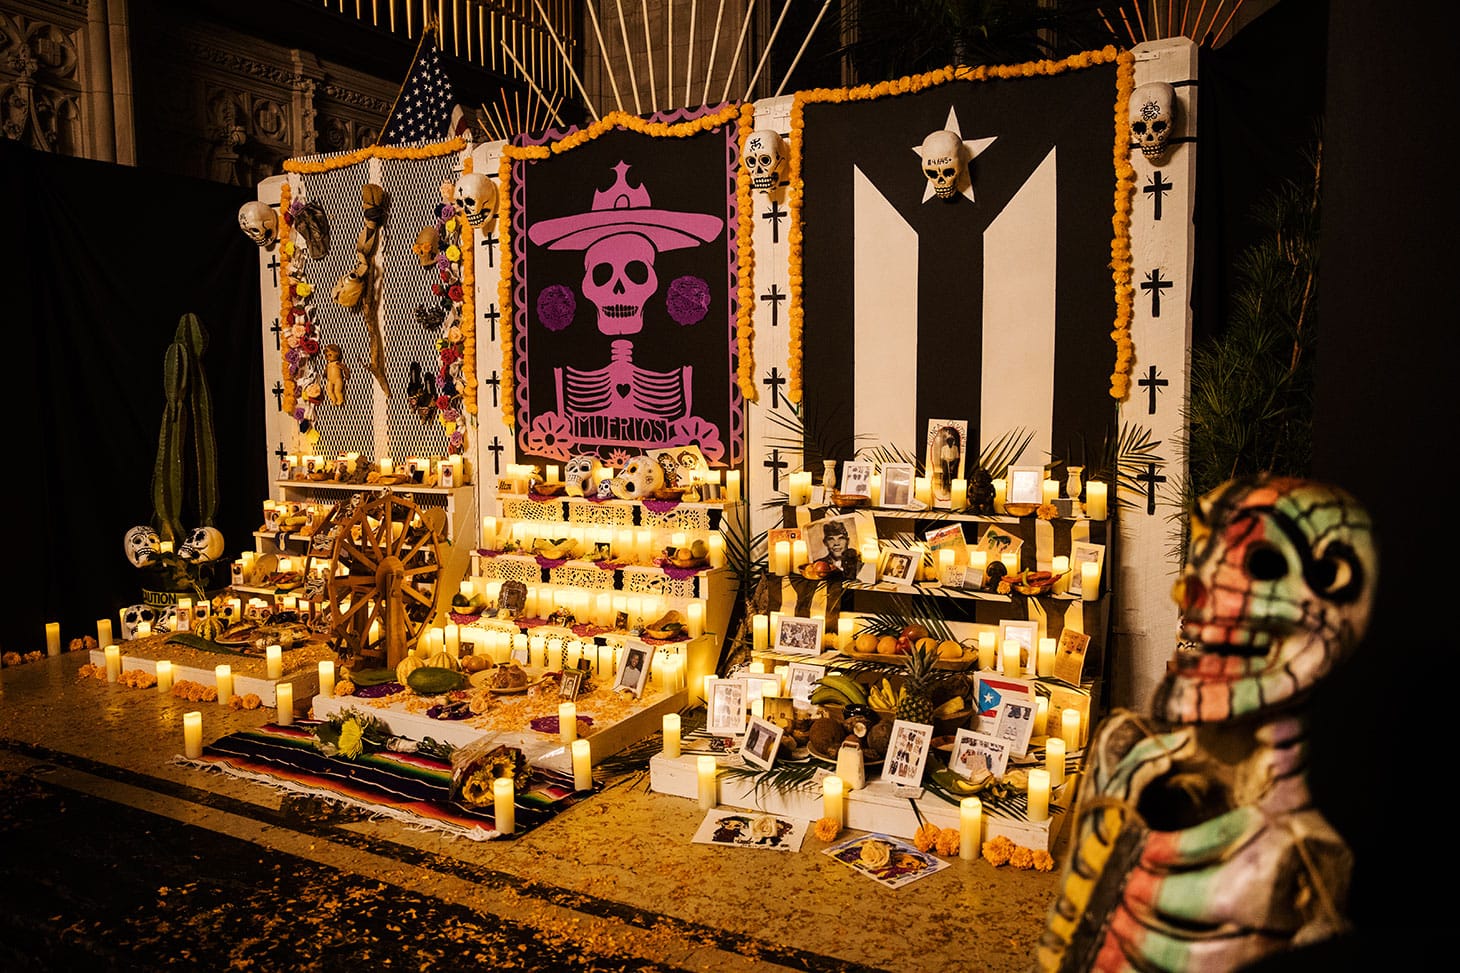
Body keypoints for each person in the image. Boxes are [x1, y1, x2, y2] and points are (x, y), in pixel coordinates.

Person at [931, 425, 961, 502]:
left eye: (951, 440)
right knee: (945, 475)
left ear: (953, 441)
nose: (950, 442)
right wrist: (945, 463)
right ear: (947, 441)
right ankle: (944, 487)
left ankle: (952, 489)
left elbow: (957, 457)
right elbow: (942, 457)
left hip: (953, 462)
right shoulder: (944, 448)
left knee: (953, 475)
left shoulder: (955, 448)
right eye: (948, 441)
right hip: (945, 462)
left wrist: (953, 465)